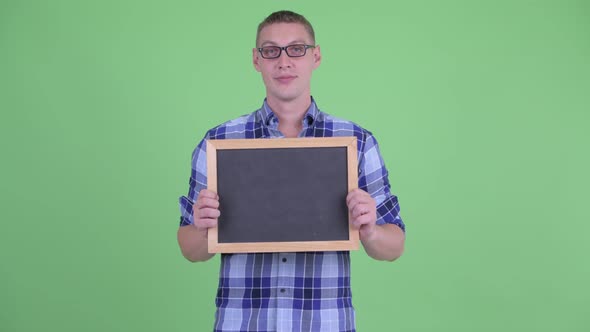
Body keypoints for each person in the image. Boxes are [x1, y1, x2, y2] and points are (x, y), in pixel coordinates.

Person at [178, 10, 405, 332]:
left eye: (296, 49)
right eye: (271, 51)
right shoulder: (220, 142)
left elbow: (394, 245)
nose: (283, 62)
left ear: (316, 56)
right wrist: (202, 229)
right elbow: (190, 248)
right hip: (242, 322)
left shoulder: (355, 141)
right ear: (257, 60)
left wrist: (370, 230)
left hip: (326, 322)